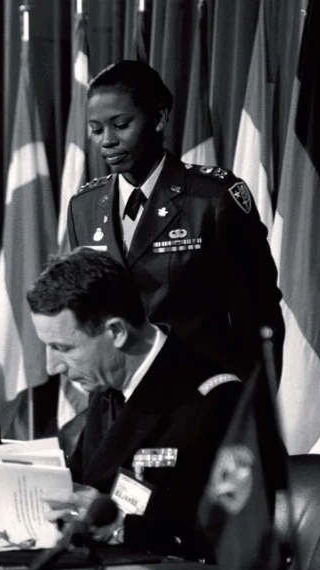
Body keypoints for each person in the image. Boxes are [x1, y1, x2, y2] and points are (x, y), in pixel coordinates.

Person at [66, 60, 284, 377]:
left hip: (199, 395)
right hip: (118, 397)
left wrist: (248, 402)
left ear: (159, 118)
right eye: (96, 130)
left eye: (121, 125)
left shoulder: (213, 198)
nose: (107, 140)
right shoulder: (83, 207)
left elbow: (259, 318)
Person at [27, 249, 243, 562]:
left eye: (63, 348)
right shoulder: (106, 388)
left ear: (116, 332)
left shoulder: (216, 400)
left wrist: (120, 527)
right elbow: (86, 488)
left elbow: (235, 536)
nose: (51, 367)